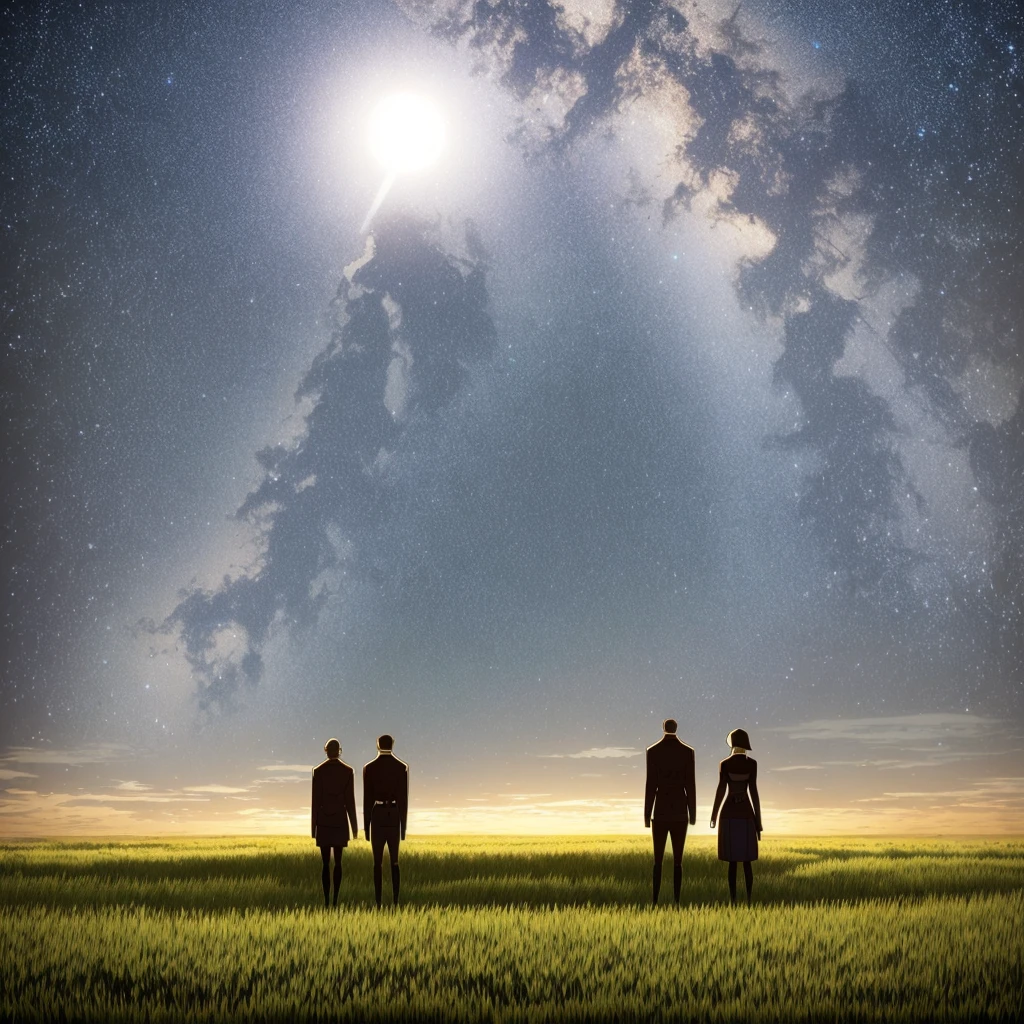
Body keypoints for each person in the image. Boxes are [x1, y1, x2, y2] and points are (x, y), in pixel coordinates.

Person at [644, 718, 696, 905]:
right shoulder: (688, 752)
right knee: (678, 860)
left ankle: (655, 900)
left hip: (661, 810)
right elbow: (690, 784)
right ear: (676, 729)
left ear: (663, 728)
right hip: (680, 810)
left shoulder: (653, 751)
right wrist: (693, 813)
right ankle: (676, 901)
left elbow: (651, 784)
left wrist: (646, 815)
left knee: (657, 859)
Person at [710, 728, 762, 906]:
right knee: (747, 862)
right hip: (747, 814)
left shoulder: (724, 763)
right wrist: (759, 822)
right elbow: (754, 792)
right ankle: (749, 899)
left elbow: (721, 790)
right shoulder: (752, 764)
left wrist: (714, 815)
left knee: (732, 862)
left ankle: (733, 900)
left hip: (728, 814)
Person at [311, 737, 359, 908]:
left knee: (325, 864)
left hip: (323, 822)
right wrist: (354, 828)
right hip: (340, 821)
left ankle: (325, 901)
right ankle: (336, 900)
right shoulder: (348, 771)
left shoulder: (318, 771)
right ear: (339, 751)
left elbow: (315, 802)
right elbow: (350, 802)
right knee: (338, 862)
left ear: (326, 751)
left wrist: (313, 829)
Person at [363, 733, 409, 907]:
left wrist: (367, 827)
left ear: (377, 745)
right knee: (395, 862)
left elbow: (367, 800)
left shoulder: (370, 768)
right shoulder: (401, 767)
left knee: (377, 863)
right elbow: (403, 800)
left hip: (377, 815)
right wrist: (403, 828)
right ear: (393, 745)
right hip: (394, 816)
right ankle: (396, 901)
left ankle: (378, 902)